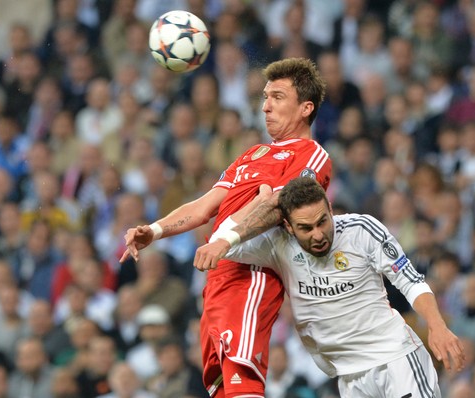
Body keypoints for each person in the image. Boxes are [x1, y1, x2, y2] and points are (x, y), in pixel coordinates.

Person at [121, 57, 332, 397]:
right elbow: (204, 207)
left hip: (252, 274)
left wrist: (226, 241)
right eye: (265, 97)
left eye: (277, 97)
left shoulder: (310, 154)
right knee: (222, 389)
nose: (265, 107)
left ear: (306, 107)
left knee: (243, 384)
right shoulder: (251, 155)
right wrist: (155, 230)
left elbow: (278, 205)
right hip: (218, 278)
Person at [195, 177, 465, 397]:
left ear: (330, 209)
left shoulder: (362, 230)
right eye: (306, 228)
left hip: (396, 359)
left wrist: (436, 326)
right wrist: (262, 205)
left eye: (323, 221)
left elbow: (411, 280)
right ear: (287, 226)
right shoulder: (276, 245)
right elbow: (221, 243)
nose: (318, 234)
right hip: (347, 376)